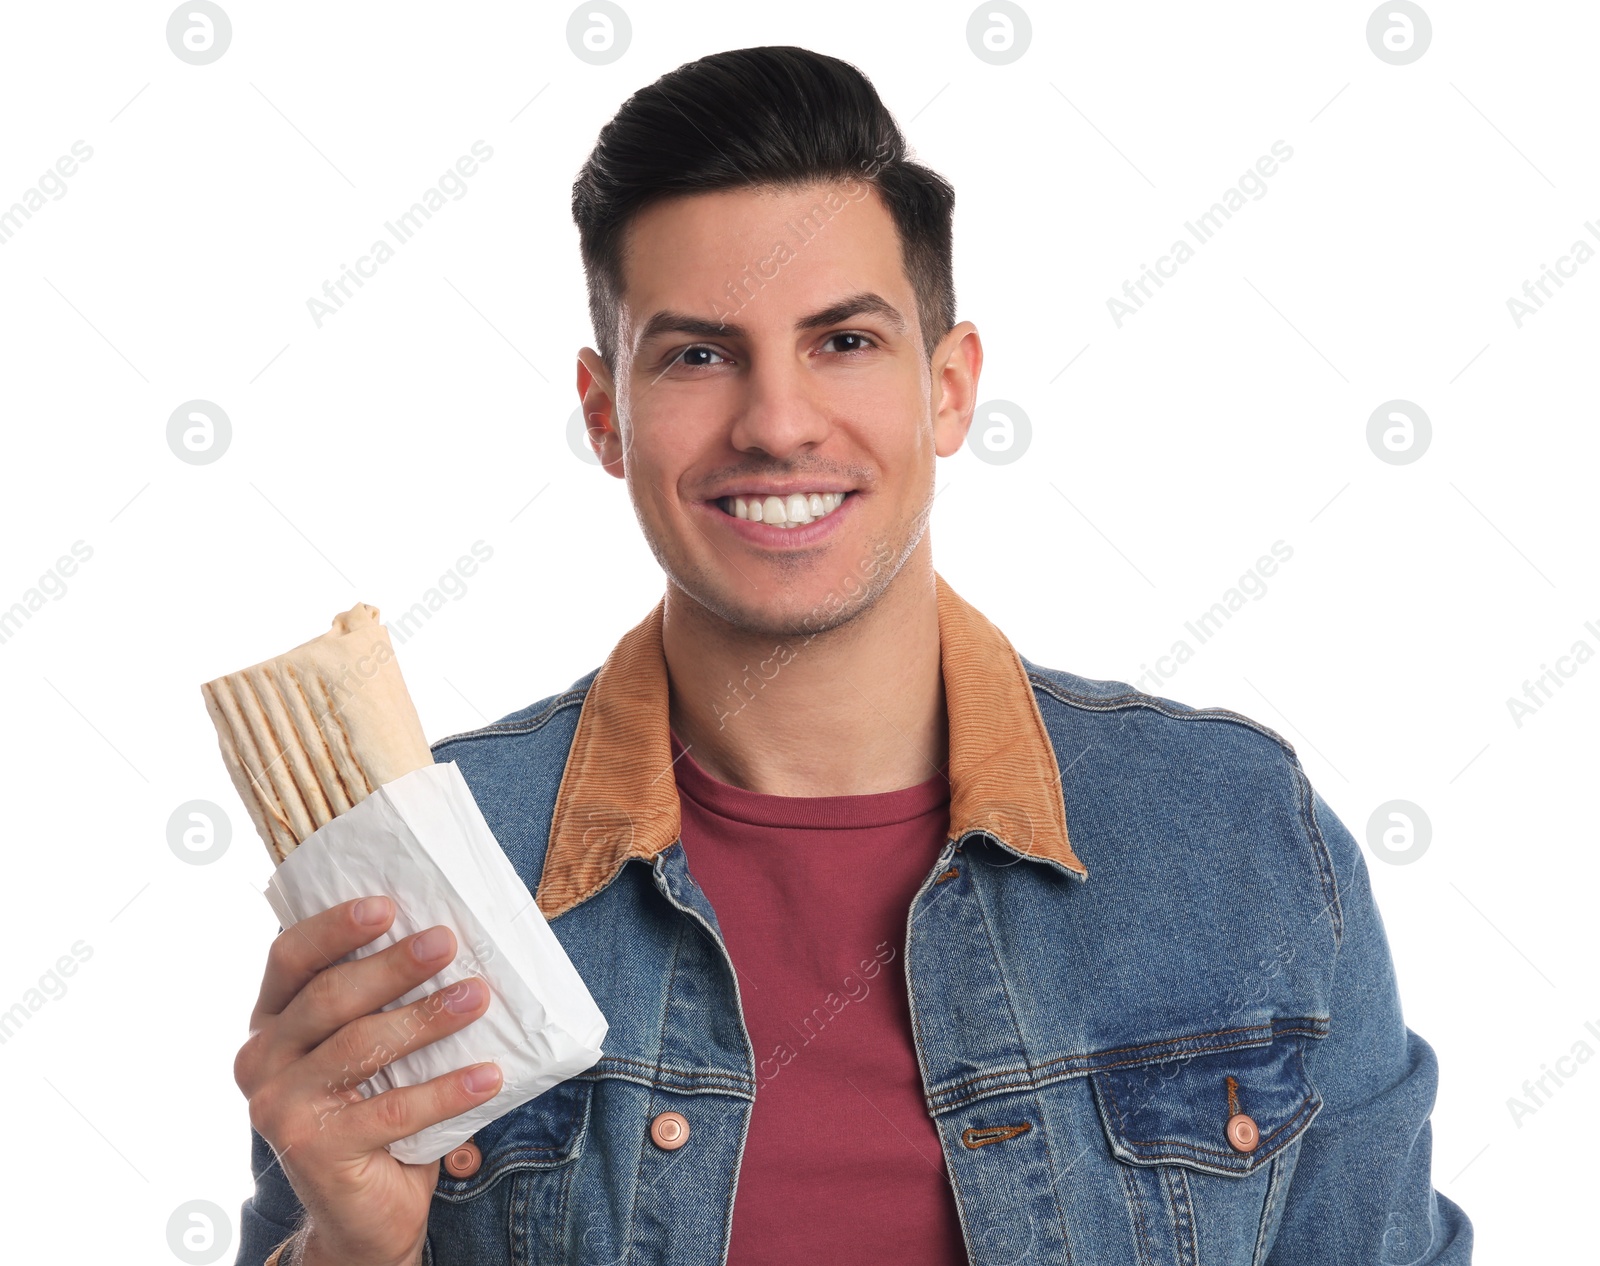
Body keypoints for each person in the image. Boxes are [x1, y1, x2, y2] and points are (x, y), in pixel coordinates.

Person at [233, 45, 1473, 1265]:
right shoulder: (433, 871)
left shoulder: (1232, 839)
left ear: (948, 387)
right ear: (607, 414)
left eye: (844, 342)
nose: (775, 423)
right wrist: (348, 1255)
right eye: (698, 355)